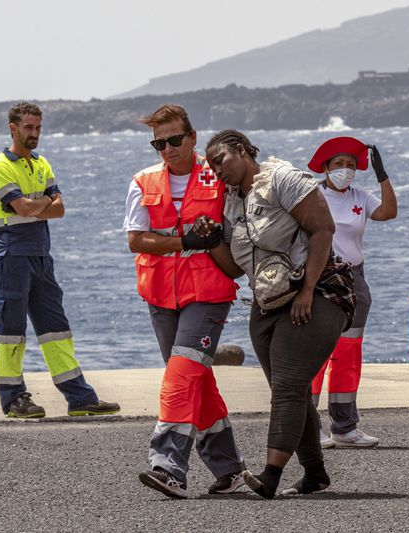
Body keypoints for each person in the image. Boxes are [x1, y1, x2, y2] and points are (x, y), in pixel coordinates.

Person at [202, 129, 354, 499]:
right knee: (293, 391)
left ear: (241, 150)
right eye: (210, 166)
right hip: (268, 302)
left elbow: (323, 229)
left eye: (220, 160)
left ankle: (270, 476)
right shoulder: (232, 203)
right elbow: (235, 269)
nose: (216, 170)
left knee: (286, 387)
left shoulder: (282, 178)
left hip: (318, 292)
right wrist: (208, 243)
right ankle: (316, 474)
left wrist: (306, 292)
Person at [125, 105, 246, 499]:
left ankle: (168, 467)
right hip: (160, 295)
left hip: (208, 294)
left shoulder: (219, 178)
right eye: (159, 143)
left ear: (192, 138)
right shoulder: (142, 182)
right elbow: (136, 240)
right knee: (197, 380)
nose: (167, 149)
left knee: (181, 376)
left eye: (175, 140)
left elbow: (243, 229)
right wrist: (185, 241)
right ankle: (231, 472)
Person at [0, 101, 120, 419]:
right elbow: (23, 208)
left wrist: (40, 204)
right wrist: (46, 201)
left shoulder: (42, 163)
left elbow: (59, 210)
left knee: (56, 330)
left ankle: (79, 397)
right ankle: (13, 399)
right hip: (14, 258)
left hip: (42, 259)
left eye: (38, 127)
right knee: (11, 332)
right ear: (13, 128)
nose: (34, 134)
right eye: (28, 127)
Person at [306, 136, 397, 448]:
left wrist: (382, 176)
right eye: (338, 165)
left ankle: (345, 428)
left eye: (349, 165)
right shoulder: (312, 194)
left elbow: (388, 212)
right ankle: (310, 427)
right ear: (326, 168)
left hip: (355, 279)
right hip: (321, 278)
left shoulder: (361, 196)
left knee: (348, 355)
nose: (345, 170)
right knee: (317, 354)